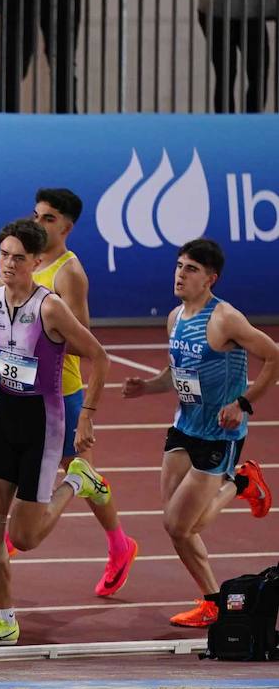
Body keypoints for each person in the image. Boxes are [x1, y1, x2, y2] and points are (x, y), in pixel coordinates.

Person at [0, 218, 111, 648]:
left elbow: (99, 356)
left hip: (43, 424)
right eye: (5, 255)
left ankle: (77, 480)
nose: (10, 263)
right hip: (5, 418)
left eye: (20, 257)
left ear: (36, 261)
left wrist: (86, 414)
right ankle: (5, 620)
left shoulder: (50, 307)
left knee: (25, 537)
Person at [0, 189, 137, 598]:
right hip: (16, 388)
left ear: (66, 227)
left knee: (81, 471)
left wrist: (35, 346)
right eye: (36, 215)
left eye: (49, 218)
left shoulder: (67, 274)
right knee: (6, 484)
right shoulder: (4, 284)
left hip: (63, 386)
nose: (40, 223)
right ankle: (0, 541)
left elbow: (83, 339)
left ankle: (118, 544)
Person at [122, 238, 275, 628]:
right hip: (184, 427)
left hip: (220, 435)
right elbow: (176, 374)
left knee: (180, 525)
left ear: (210, 278)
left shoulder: (225, 319)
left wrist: (242, 403)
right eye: (179, 266)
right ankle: (239, 486)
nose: (180, 274)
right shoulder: (174, 318)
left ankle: (214, 600)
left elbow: (274, 355)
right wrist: (147, 387)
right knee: (177, 525)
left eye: (191, 269)